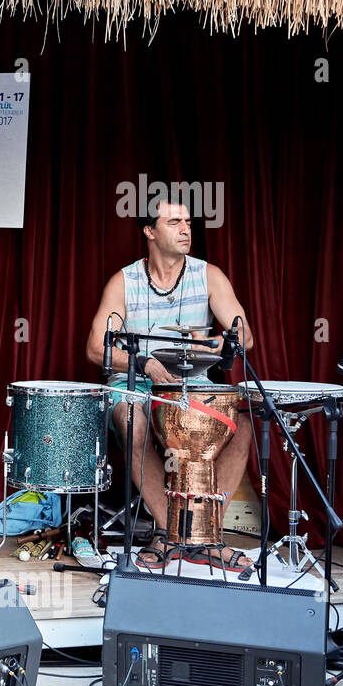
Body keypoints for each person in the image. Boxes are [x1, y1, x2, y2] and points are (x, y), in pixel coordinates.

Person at [86, 199, 254, 570]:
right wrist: (144, 364)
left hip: (194, 385)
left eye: (188, 222)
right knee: (134, 421)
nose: (185, 229)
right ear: (149, 231)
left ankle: (208, 535)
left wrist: (221, 341)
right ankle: (169, 532)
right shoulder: (124, 281)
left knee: (241, 428)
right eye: (174, 221)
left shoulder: (209, 275)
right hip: (135, 384)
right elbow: (97, 348)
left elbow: (245, 336)